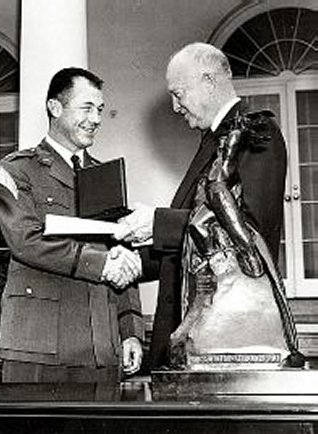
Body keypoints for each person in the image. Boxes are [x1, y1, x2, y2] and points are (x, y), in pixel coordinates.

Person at [114, 42, 303, 370]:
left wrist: (158, 223)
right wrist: (125, 261)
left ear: (209, 80)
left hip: (225, 341)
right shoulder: (213, 142)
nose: (175, 106)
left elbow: (250, 232)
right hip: (192, 337)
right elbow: (185, 253)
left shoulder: (256, 133)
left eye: (179, 93)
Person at [0, 67, 145, 383]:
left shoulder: (105, 177)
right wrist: (101, 263)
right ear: (55, 108)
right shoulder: (18, 170)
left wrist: (130, 329)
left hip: (101, 346)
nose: (96, 118)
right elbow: (25, 239)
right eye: (87, 108)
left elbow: (122, 250)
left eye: (100, 110)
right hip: (38, 344)